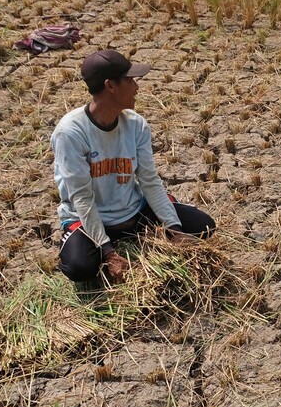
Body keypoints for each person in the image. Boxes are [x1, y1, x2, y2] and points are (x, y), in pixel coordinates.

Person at [51, 49, 215, 283]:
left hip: (134, 213)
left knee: (204, 227)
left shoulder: (136, 125)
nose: (136, 87)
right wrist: (108, 252)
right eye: (129, 80)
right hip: (90, 218)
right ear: (110, 85)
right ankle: (94, 243)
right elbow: (82, 198)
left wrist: (174, 229)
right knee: (80, 268)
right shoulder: (71, 133)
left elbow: (149, 180)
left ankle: (134, 232)